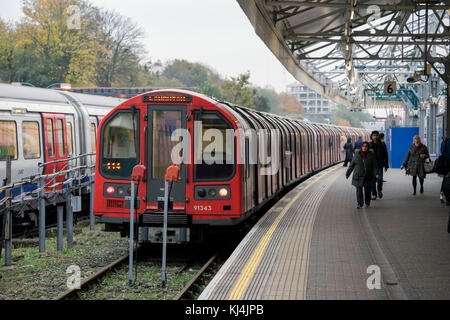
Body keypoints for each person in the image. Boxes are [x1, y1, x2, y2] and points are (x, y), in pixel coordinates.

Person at [346, 141, 379, 209]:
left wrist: (376, 173)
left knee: (367, 190)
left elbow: (375, 166)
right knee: (359, 190)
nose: (364, 148)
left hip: (368, 176)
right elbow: (351, 165)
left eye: (366, 146)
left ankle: (367, 202)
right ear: (361, 147)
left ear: (368, 147)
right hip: (358, 176)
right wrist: (348, 173)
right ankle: (359, 204)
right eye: (363, 146)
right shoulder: (357, 154)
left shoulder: (371, 155)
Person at [369, 131, 389, 200]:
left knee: (380, 179)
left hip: (379, 165)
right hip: (371, 166)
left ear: (378, 136)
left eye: (376, 135)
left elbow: (386, 155)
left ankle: (379, 190)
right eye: (374, 135)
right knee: (372, 181)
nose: (375, 137)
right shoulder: (369, 145)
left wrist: (386, 165)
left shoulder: (382, 144)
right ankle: (374, 194)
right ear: (371, 136)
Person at [439, 137, 450, 203]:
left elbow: (441, 151)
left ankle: (441, 195)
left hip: (445, 164)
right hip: (448, 163)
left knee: (445, 180)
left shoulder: (445, 141)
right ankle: (447, 199)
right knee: (447, 181)